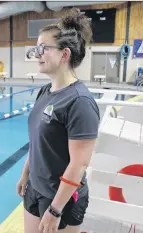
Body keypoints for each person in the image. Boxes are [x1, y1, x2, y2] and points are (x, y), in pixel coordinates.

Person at [16, 7, 100, 233]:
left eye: (44, 48)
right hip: (36, 188)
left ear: (65, 54)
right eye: (37, 48)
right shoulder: (44, 92)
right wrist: (26, 174)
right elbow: (37, 143)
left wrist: (55, 210)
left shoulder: (79, 102)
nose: (37, 53)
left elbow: (79, 164)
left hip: (61, 199)